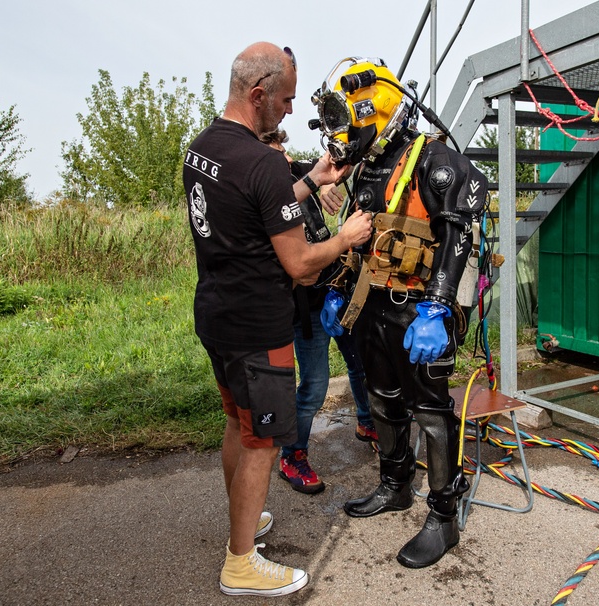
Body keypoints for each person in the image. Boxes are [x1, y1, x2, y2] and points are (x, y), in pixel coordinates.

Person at [183, 42, 372, 597]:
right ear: (258, 93)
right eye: (286, 100)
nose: (291, 110)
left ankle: (243, 523)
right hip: (259, 324)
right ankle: (241, 563)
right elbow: (299, 262)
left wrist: (312, 179)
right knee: (262, 441)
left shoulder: (205, 149)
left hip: (216, 313)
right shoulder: (262, 160)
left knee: (237, 424)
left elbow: (256, 205)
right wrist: (344, 238)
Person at [314, 57, 488, 568]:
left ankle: (443, 517)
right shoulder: (367, 167)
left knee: (431, 412)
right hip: (374, 310)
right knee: (383, 400)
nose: (344, 136)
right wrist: (337, 290)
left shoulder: (433, 160)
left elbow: (460, 232)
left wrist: (437, 307)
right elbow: (361, 237)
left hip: (420, 313)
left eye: (350, 123)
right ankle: (395, 486)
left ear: (379, 111)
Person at [260, 129, 377, 495]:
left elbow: (335, 166)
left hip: (337, 292)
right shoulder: (262, 198)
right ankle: (293, 455)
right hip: (306, 307)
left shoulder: (297, 175)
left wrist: (325, 185)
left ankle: (366, 421)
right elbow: (294, 266)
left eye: (284, 150)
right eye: (275, 152)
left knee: (359, 365)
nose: (285, 158)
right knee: (314, 385)